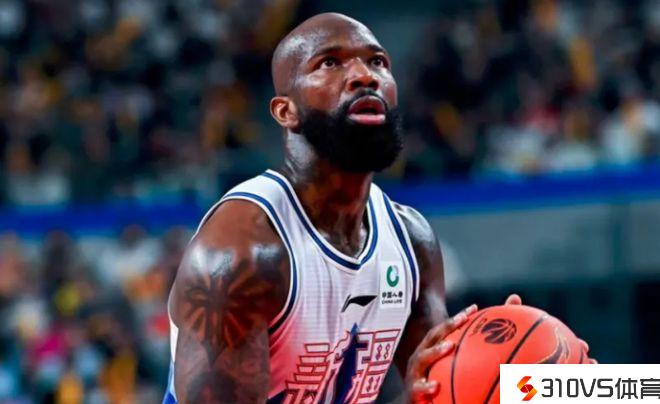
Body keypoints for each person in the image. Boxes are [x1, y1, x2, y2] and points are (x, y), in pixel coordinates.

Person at [163, 13, 591, 403]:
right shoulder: (243, 251)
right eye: (330, 63)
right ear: (285, 111)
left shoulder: (411, 241)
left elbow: (440, 392)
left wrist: (555, 374)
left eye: (378, 62)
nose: (363, 76)